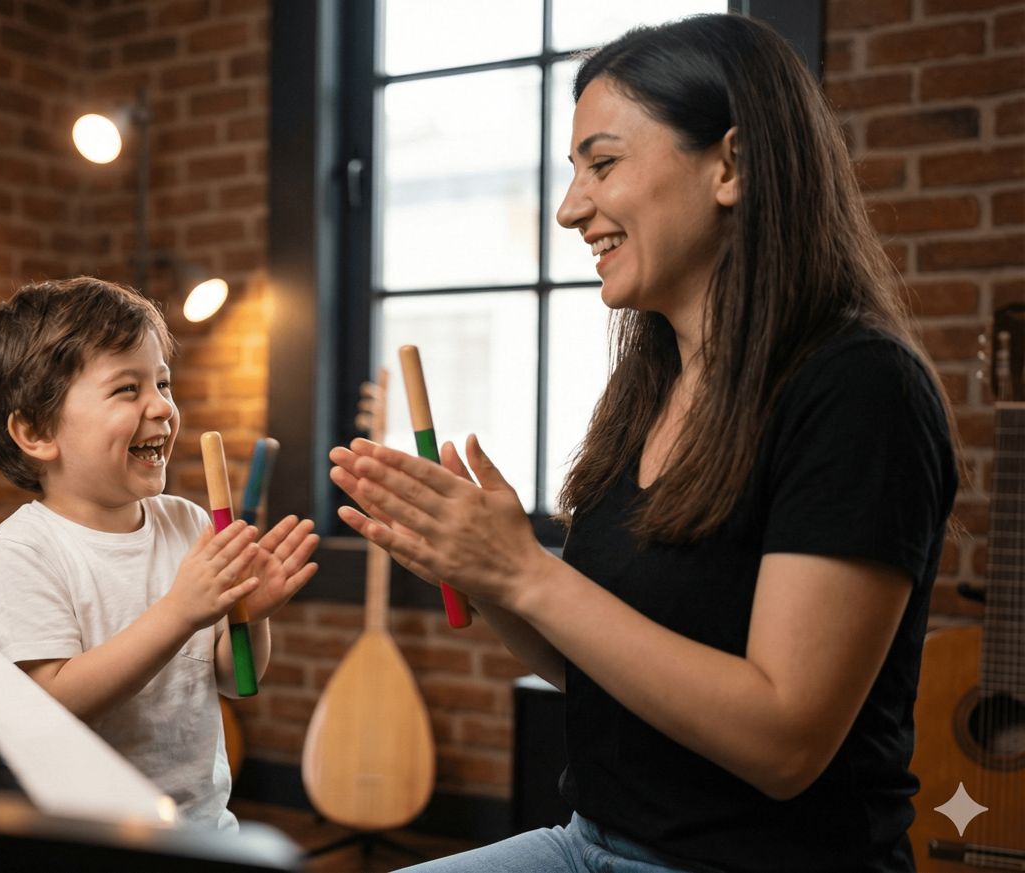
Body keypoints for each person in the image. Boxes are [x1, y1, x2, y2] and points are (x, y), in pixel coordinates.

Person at [330, 14, 957, 873]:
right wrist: (483, 572)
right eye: (572, 171)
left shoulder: (860, 389)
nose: (568, 208)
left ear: (730, 165)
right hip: (593, 843)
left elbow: (784, 740)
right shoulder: (652, 389)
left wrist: (526, 570)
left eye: (603, 162)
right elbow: (592, 662)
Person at [0, 276, 318, 830]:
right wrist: (179, 612)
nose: (163, 408)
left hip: (201, 826)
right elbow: (49, 701)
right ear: (35, 432)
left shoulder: (186, 522)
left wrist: (250, 614)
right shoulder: (25, 549)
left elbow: (234, 680)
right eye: (128, 389)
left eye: (164, 384)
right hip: (91, 837)